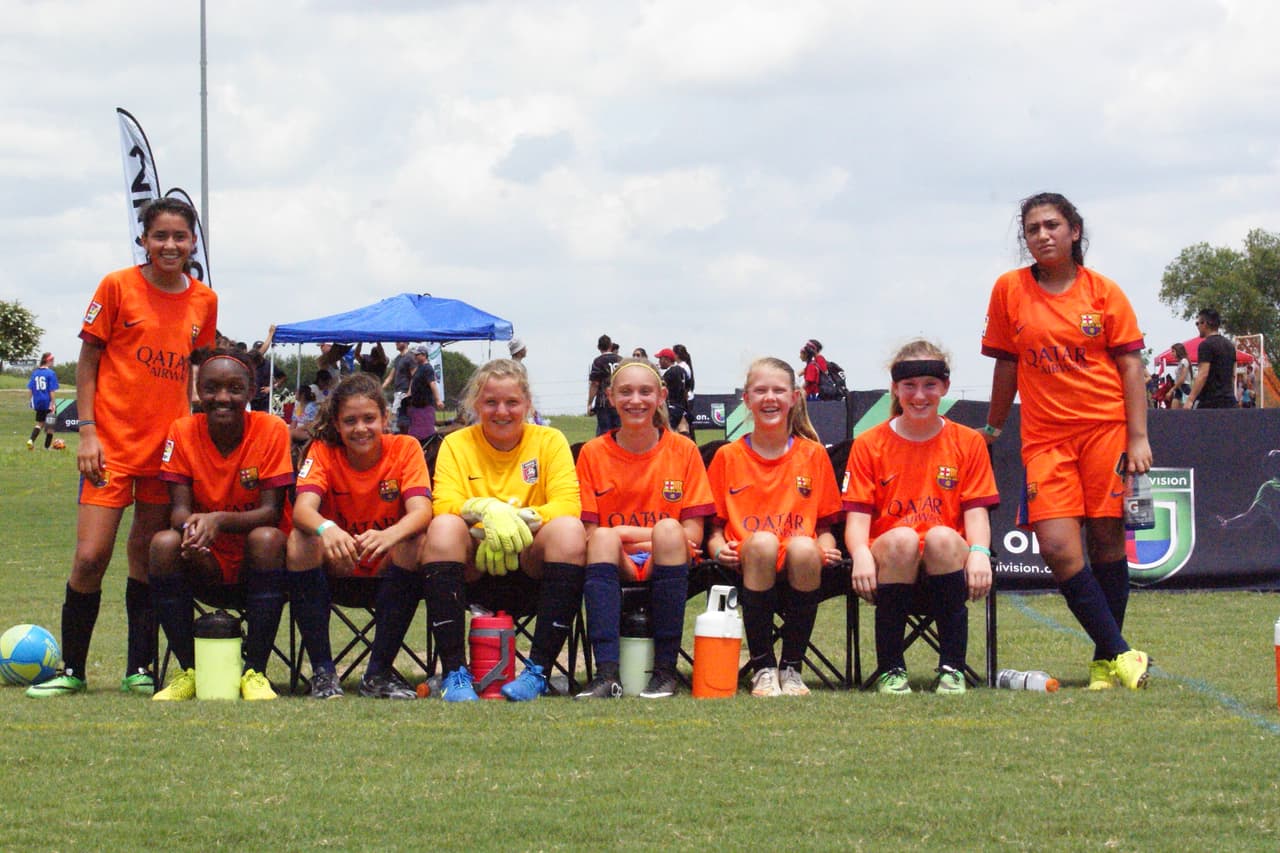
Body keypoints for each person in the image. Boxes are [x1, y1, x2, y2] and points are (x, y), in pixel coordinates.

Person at [28, 197, 218, 698]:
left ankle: (139, 667)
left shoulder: (204, 299)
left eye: (180, 237)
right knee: (91, 556)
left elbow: (199, 367)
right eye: (160, 236)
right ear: (144, 241)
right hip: (108, 446)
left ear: (193, 242)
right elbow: (88, 361)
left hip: (166, 451)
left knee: (145, 556)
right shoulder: (116, 286)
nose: (170, 245)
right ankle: (71, 669)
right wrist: (87, 430)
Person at [981, 191, 1151, 691]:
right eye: (1032, 229)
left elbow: (1131, 368)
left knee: (1105, 540)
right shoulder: (1008, 289)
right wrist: (993, 427)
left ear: (1074, 231)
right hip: (1045, 439)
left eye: (1052, 225)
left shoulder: (1104, 292)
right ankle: (1123, 652)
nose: (1042, 235)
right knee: (1056, 546)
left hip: (1106, 432)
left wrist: (1138, 437)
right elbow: (1006, 365)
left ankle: (1105, 662)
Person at [426, 358, 585, 701]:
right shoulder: (455, 443)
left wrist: (514, 519)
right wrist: (486, 514)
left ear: (527, 404)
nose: (502, 411)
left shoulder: (550, 441)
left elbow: (568, 504)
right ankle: (455, 673)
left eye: (512, 402)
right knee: (442, 529)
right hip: (472, 566)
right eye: (491, 402)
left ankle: (539, 671)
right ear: (475, 404)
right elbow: (444, 503)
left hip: (530, 563)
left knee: (570, 531)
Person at [843, 341, 998, 694]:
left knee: (942, 537)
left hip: (946, 558)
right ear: (895, 389)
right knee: (903, 539)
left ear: (944, 387)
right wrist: (862, 556)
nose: (919, 395)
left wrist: (979, 552)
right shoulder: (869, 444)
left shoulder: (968, 442)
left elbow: (976, 513)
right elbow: (857, 521)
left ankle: (952, 668)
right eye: (909, 386)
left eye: (930, 385)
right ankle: (891, 669)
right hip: (892, 557)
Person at [149, 350, 293, 701]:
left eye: (234, 388)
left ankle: (254, 672)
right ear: (198, 390)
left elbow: (272, 512)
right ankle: (191, 672)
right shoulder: (182, 431)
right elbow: (179, 511)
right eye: (211, 388)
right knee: (163, 543)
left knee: (267, 538)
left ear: (251, 391)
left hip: (256, 562)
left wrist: (218, 520)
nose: (222, 398)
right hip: (206, 559)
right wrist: (195, 531)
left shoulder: (271, 429)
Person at [287, 372, 435, 699]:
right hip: (338, 566)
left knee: (417, 542)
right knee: (300, 541)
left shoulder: (405, 447)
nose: (360, 428)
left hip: (388, 567)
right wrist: (327, 529)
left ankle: (378, 674)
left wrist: (390, 535)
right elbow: (302, 510)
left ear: (385, 418)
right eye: (350, 421)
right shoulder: (324, 451)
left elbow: (422, 511)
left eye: (369, 418)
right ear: (337, 425)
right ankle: (324, 673)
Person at [574, 359, 714, 699]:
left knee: (668, 532)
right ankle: (607, 674)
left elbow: (692, 535)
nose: (635, 400)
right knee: (608, 536)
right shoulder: (592, 453)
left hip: (666, 557)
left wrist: (628, 534)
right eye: (625, 392)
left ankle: (664, 673)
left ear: (661, 396)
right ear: (609, 397)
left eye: (645, 392)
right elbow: (591, 534)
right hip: (614, 559)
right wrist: (621, 537)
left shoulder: (684, 450)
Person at [706, 357, 843, 696]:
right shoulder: (727, 456)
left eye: (779, 390)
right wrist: (717, 549)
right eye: (760, 390)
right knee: (764, 542)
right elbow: (714, 529)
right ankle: (763, 668)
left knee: (804, 545)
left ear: (795, 398)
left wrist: (826, 544)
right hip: (747, 560)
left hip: (802, 561)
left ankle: (792, 669)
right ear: (746, 400)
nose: (770, 398)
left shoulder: (813, 455)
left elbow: (824, 525)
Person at [1185, 308, 1238, 409]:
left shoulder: (1206, 345)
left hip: (1210, 402)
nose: (1197, 327)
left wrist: (1190, 400)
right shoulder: (1230, 345)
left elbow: (1203, 374)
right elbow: (1233, 374)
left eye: (1198, 323)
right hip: (1229, 401)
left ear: (1204, 323)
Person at [404, 344, 443, 441]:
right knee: (414, 434)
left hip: (425, 407)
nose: (415, 357)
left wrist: (438, 400)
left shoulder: (427, 368)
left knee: (426, 434)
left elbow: (432, 384)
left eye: (417, 355)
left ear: (424, 355)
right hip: (416, 407)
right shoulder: (419, 369)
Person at [588, 334, 622, 436]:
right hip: (620, 401)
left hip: (604, 402)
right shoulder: (621, 360)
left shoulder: (598, 361)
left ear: (598, 347)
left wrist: (590, 403)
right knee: (618, 432)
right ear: (611, 346)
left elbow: (595, 384)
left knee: (604, 434)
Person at [27, 352, 59, 450]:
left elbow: (30, 389)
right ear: (48, 360)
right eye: (52, 360)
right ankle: (47, 447)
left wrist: (31, 400)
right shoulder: (50, 373)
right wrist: (53, 403)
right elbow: (51, 390)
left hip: (38, 402)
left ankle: (31, 440)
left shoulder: (35, 373)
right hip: (47, 401)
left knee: (39, 423)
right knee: (50, 425)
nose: (53, 362)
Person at [655, 348, 691, 436]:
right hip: (681, 407)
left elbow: (660, 388)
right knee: (682, 431)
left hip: (671, 407)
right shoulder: (682, 371)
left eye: (660, 358)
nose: (659, 361)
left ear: (666, 359)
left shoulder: (670, 373)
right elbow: (687, 390)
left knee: (667, 432)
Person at [383, 342, 415, 433]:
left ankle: (405, 438)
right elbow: (390, 376)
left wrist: (409, 392)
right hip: (397, 392)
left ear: (406, 342)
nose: (396, 343)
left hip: (404, 392)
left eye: (399, 341)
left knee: (399, 417)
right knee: (397, 417)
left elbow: (414, 376)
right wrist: (380, 389)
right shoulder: (398, 358)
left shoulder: (410, 357)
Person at [1169, 342, 1191, 409]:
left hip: (1184, 388)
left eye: (1173, 351)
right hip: (1179, 388)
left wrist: (1172, 389)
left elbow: (1182, 378)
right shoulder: (1181, 362)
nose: (1171, 353)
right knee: (1174, 410)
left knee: (1182, 411)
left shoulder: (1184, 361)